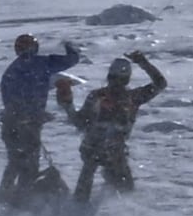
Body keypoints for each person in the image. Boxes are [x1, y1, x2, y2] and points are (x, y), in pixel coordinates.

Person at [68, 48, 165, 202]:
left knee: (92, 183)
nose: (116, 83)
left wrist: (68, 106)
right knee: (125, 190)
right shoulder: (132, 97)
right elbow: (160, 83)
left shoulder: (98, 96)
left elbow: (79, 122)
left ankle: (82, 208)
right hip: (111, 152)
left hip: (96, 149)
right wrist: (143, 63)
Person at [0, 32, 84, 196]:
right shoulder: (42, 63)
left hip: (10, 123)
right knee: (30, 160)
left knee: (15, 161)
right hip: (29, 122)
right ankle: (25, 194)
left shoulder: (10, 72)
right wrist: (69, 46)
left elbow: (9, 101)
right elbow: (71, 60)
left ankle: (5, 192)